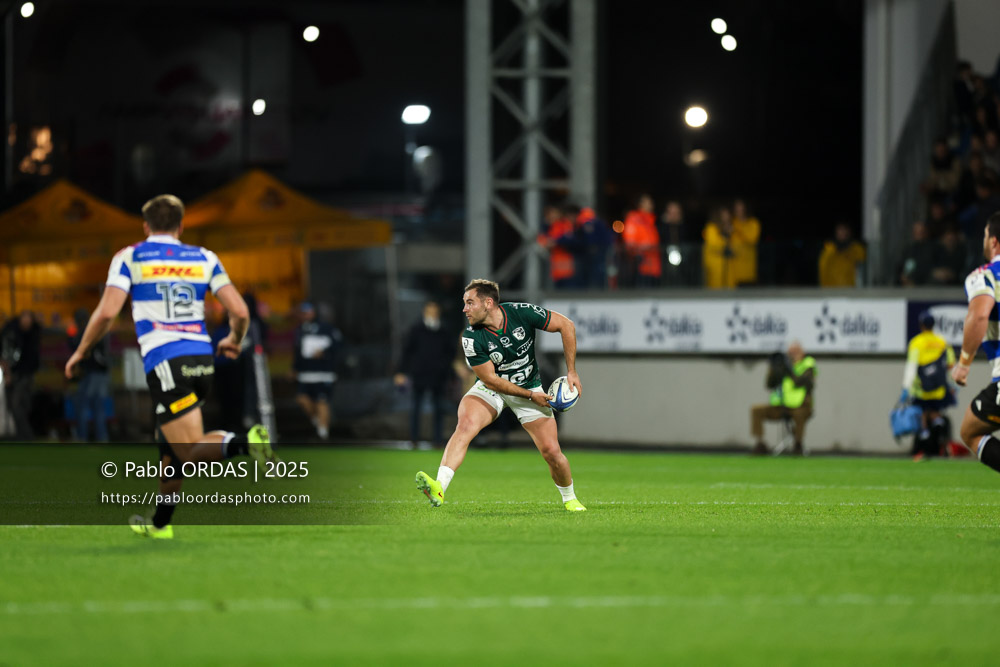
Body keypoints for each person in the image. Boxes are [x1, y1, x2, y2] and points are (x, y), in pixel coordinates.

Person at [65, 194, 275, 539]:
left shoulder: (131, 256)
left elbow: (106, 312)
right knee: (168, 442)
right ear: (181, 225)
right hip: (201, 360)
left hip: (165, 360)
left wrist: (81, 351)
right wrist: (234, 341)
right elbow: (239, 311)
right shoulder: (204, 258)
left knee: (188, 450)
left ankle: (246, 444)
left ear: (146, 226)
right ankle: (161, 523)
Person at [414, 279, 586, 511]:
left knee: (552, 452)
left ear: (488, 303)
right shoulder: (471, 337)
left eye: (469, 303)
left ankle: (570, 499)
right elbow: (491, 380)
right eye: (464, 303)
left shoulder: (521, 312)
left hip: (529, 385)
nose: (464, 309)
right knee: (465, 426)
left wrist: (572, 371)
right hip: (493, 388)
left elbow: (566, 325)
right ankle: (439, 486)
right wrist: (529, 395)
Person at [949, 212, 1000, 480]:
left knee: (970, 431)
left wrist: (963, 364)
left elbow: (980, 314)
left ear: (993, 242)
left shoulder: (986, 275)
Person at [394, 301, 456, 446]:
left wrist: (447, 371)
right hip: (420, 374)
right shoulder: (416, 329)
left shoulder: (444, 330)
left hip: (438, 376)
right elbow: (407, 351)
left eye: (434, 311)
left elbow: (450, 353)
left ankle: (438, 439)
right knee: (416, 407)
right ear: (424, 312)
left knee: (439, 408)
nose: (432, 313)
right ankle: (414, 439)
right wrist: (401, 371)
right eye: (429, 310)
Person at [901, 311, 956, 460]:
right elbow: (951, 364)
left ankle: (923, 450)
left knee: (922, 417)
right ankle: (942, 447)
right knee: (937, 415)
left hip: (921, 389)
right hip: (939, 388)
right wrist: (952, 384)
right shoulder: (942, 341)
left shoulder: (916, 342)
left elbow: (912, 367)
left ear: (921, 325)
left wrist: (906, 387)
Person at [750, 341, 817, 455]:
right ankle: (760, 444)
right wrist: (773, 369)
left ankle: (798, 445)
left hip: (801, 405)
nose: (793, 354)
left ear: (802, 352)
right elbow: (769, 385)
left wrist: (790, 371)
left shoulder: (808, 364)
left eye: (796, 352)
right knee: (756, 410)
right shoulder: (783, 365)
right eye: (791, 352)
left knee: (799, 415)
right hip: (781, 405)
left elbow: (802, 382)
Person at [293, 301, 342, 440]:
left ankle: (323, 433)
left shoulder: (327, 328)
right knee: (302, 399)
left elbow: (338, 346)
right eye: (304, 312)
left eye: (309, 311)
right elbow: (297, 352)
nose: (306, 315)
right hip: (306, 374)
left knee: (322, 401)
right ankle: (317, 420)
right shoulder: (300, 329)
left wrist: (324, 352)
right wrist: (295, 368)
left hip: (323, 373)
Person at [67, 307, 111, 442]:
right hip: (101, 374)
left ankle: (82, 437)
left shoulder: (86, 332)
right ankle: (102, 437)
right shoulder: (98, 330)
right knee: (98, 407)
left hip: (91, 374)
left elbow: (76, 347)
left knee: (83, 406)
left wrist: (70, 335)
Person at [0, 311, 41, 439]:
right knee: (14, 405)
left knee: (21, 405)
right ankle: (24, 436)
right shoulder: (11, 333)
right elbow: (5, 354)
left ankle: (25, 436)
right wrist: (7, 373)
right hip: (14, 374)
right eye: (25, 319)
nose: (27, 322)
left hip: (26, 375)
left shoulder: (33, 334)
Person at [622, 194, 661, 287]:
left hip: (653, 266)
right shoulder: (634, 219)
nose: (651, 205)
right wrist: (642, 248)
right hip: (641, 264)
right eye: (648, 202)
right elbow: (630, 242)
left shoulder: (650, 221)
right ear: (640, 204)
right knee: (642, 293)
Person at [537, 205, 579, 289]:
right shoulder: (545, 227)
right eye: (550, 214)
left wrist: (555, 242)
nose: (553, 216)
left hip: (565, 268)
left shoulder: (564, 225)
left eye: (555, 213)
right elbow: (541, 241)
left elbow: (569, 239)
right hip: (549, 267)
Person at [818, 222, 866, 287]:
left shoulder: (856, 249)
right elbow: (823, 272)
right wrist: (825, 291)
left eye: (844, 230)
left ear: (849, 232)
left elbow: (864, 269)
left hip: (852, 291)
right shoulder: (829, 251)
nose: (842, 233)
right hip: (832, 291)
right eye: (840, 230)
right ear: (836, 233)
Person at [731, 199, 761, 286]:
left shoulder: (753, 223)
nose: (739, 212)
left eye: (741, 209)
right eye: (736, 209)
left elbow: (752, 239)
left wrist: (737, 230)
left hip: (748, 269)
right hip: (733, 272)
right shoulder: (732, 222)